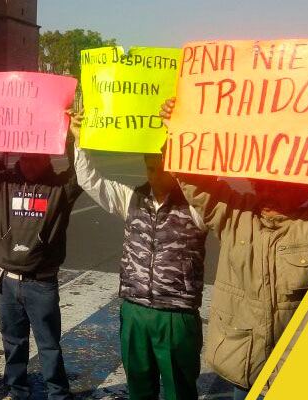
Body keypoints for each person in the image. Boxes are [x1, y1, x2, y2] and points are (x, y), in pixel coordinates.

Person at [159, 90, 308, 400]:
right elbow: (195, 181)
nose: (269, 188)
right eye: (262, 181)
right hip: (245, 369)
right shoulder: (233, 215)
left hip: (305, 375)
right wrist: (180, 130)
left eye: (281, 183)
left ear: (303, 182)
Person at [68, 111, 208, 400]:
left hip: (176, 316)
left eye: (161, 167)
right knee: (139, 389)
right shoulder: (131, 198)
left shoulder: (196, 207)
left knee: (180, 391)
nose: (154, 174)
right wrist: (79, 142)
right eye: (150, 167)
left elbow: (214, 194)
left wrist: (181, 136)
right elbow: (90, 180)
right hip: (134, 312)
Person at [0, 110, 81, 400]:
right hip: (8, 283)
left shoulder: (60, 188)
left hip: (42, 284)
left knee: (49, 345)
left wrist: (73, 137)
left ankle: (59, 394)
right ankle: (17, 391)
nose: (27, 162)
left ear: (47, 158)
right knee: (13, 343)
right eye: (24, 157)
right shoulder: (6, 184)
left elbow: (81, 173)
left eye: (35, 157)